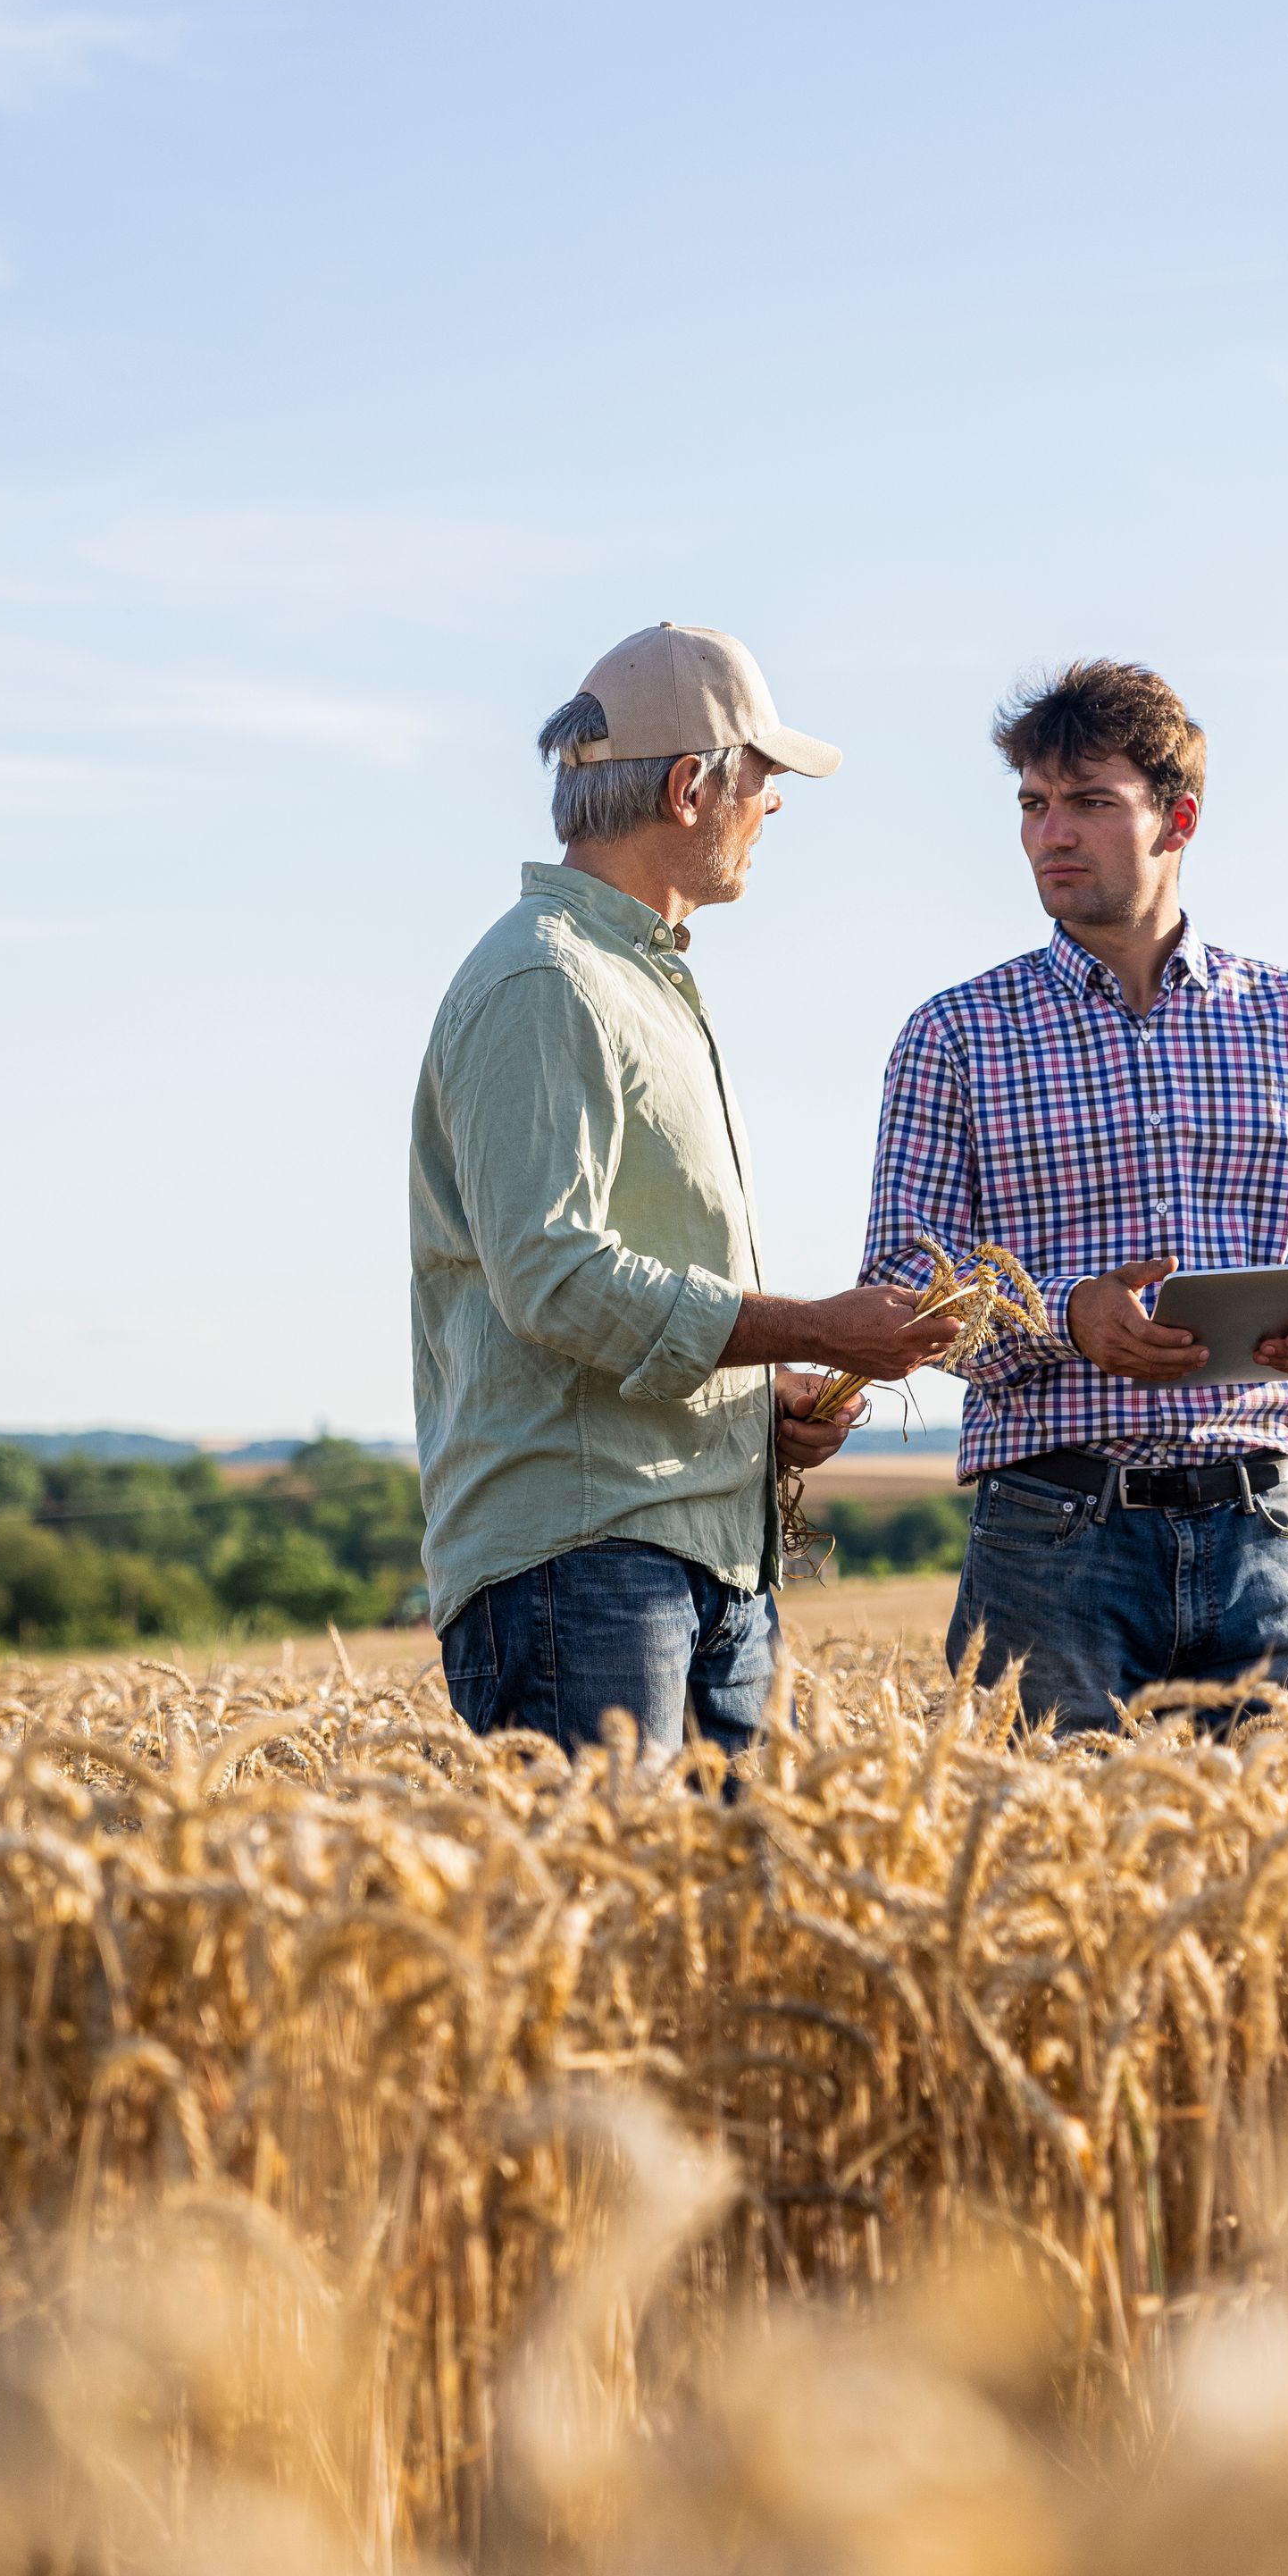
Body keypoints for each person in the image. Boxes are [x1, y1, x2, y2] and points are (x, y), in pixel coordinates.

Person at [414, 619, 968, 1759]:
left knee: (713, 1932)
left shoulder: (626, 979)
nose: (771, 810)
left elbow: (614, 1291)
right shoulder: (545, 979)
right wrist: (814, 1329)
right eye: (761, 783)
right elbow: (556, 1278)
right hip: (588, 1562)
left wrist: (753, 1413)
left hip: (689, 1555)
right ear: (688, 789)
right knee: (612, 1928)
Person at [859, 659, 1288, 1734]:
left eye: (1090, 802)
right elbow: (903, 1288)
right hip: (1050, 1542)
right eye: (1033, 805)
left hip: (1262, 1528)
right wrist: (1068, 1317)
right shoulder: (955, 1035)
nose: (1050, 832)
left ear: (1178, 818)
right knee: (1043, 1887)